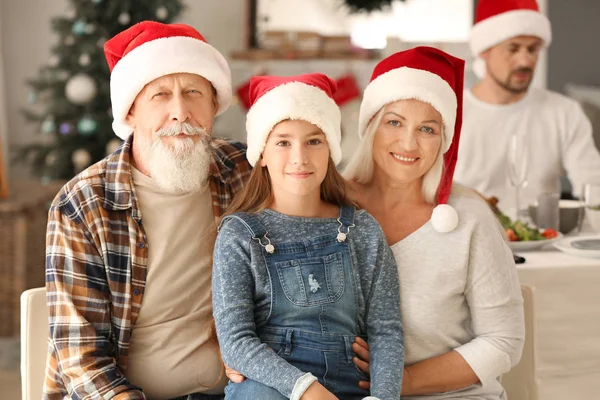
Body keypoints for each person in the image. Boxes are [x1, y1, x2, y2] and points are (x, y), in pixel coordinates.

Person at [44, 21, 251, 400]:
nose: (180, 112)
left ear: (214, 105)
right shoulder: (83, 203)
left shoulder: (243, 169)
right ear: (130, 112)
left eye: (193, 92)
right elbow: (81, 357)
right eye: (160, 95)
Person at [343, 46, 525, 399]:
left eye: (427, 128)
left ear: (444, 139)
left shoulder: (469, 218)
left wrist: (402, 381)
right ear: (370, 127)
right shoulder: (326, 205)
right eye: (394, 122)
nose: (408, 143)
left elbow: (504, 341)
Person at [212, 73, 404, 400]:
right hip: (270, 388)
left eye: (314, 141)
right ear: (262, 156)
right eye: (283, 142)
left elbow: (386, 332)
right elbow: (236, 342)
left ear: (330, 149)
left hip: (350, 386)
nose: (299, 157)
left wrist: (382, 397)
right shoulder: (239, 235)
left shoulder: (362, 230)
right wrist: (306, 391)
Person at [454, 0, 600, 214]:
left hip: (545, 240)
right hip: (469, 239)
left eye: (533, 49)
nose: (525, 60)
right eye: (513, 48)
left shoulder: (564, 112)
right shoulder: (450, 112)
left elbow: (592, 181)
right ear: (484, 51)